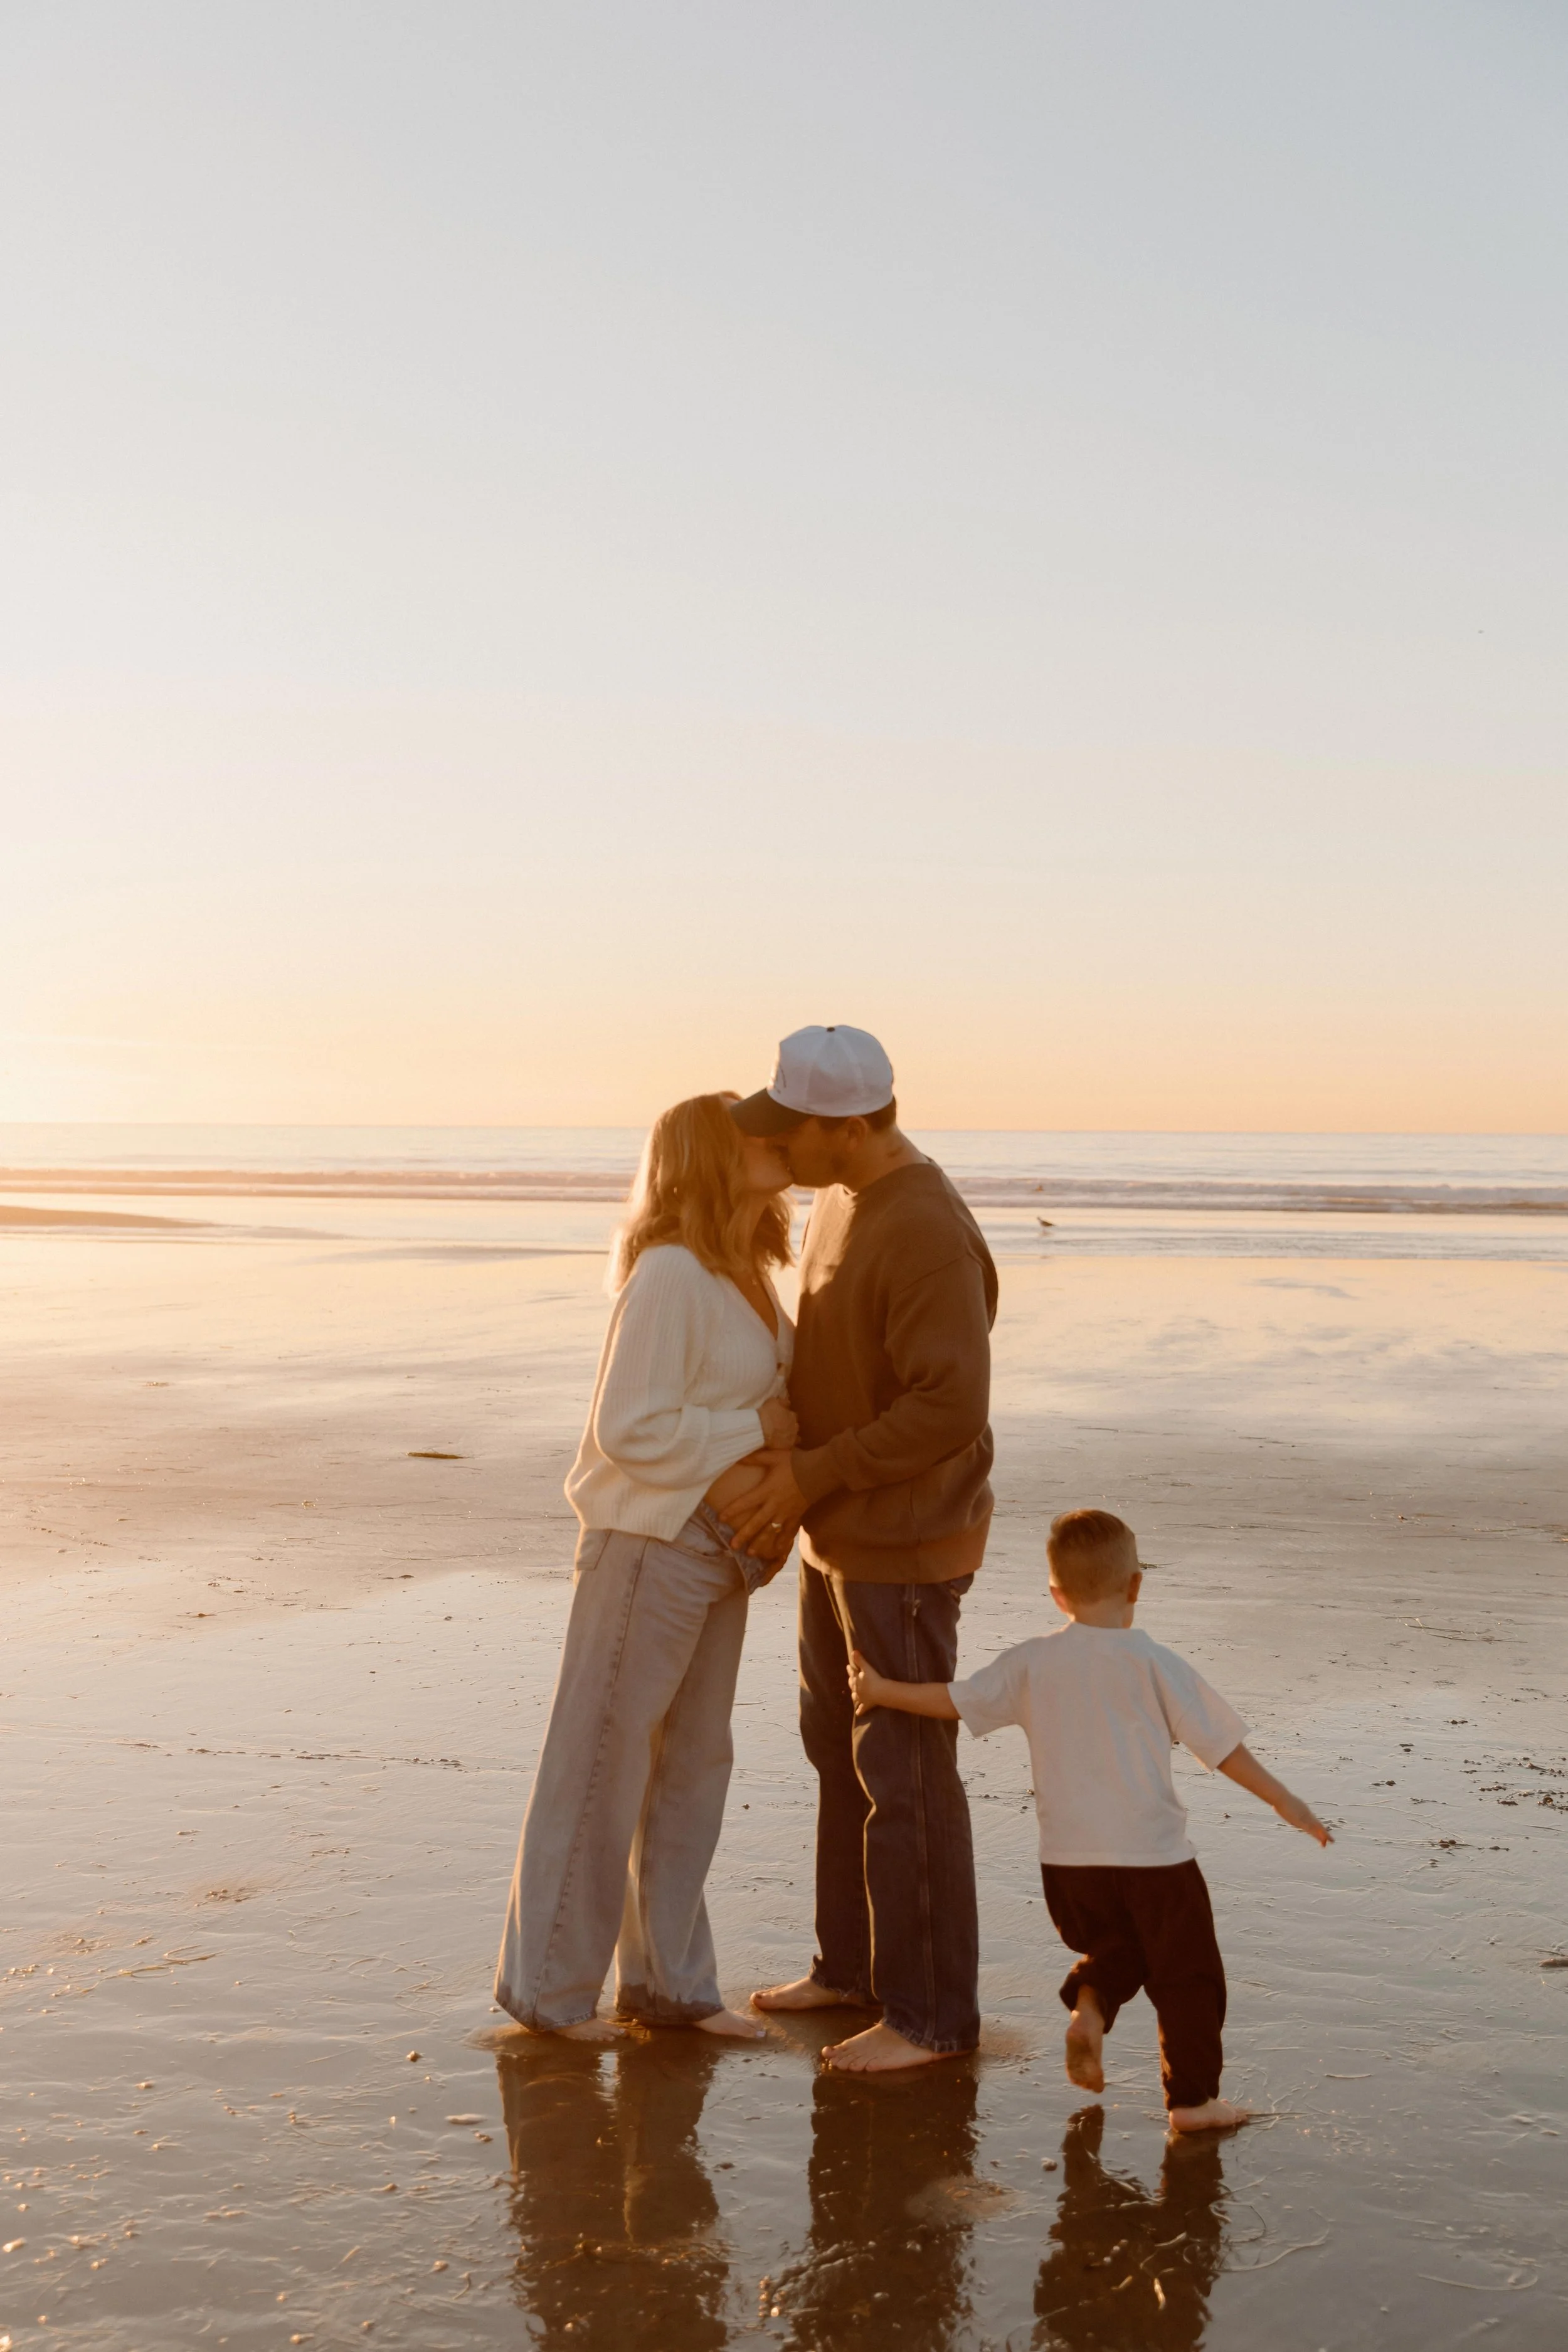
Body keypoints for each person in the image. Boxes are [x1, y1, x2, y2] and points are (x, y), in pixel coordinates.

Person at [847, 1507, 1332, 2129]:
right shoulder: (1155, 1662)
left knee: (1119, 1948)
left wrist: (881, 1691)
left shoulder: (1031, 1663)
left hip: (1068, 1867)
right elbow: (1222, 1748)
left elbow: (955, 1700)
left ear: (1057, 1595)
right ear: (1135, 1586)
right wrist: (1284, 1800)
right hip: (1155, 1860)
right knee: (1188, 1976)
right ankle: (1193, 2101)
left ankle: (1090, 2009)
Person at [494, 1093, 798, 2043]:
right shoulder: (669, 1271)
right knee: (599, 1764)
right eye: (751, 1133)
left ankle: (672, 1986)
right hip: (648, 1542)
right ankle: (549, 1991)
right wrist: (756, 1429)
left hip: (719, 1552)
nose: (775, 1140)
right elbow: (629, 1427)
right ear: (709, 1156)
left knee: (692, 1769)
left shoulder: (750, 1270)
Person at [726, 1025, 998, 2073]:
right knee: (838, 1752)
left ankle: (931, 2019)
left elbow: (948, 1407)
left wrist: (810, 1475)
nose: (777, 1143)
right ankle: (852, 1969)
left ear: (846, 1127)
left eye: (791, 1126)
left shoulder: (924, 1226)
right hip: (839, 1532)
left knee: (906, 1774)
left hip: (906, 1543)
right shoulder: (838, 1199)